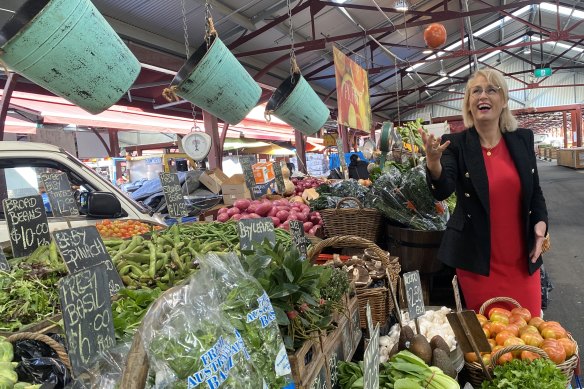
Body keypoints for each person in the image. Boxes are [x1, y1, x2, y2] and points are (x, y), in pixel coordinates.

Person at [420, 68, 548, 317]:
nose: (482, 96)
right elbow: (442, 189)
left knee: (531, 327)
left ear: (504, 100)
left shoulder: (522, 139)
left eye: (491, 90)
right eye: (475, 91)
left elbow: (535, 192)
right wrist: (433, 163)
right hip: (478, 262)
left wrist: (541, 225)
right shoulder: (455, 144)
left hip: (521, 259)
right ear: (468, 103)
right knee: (488, 337)